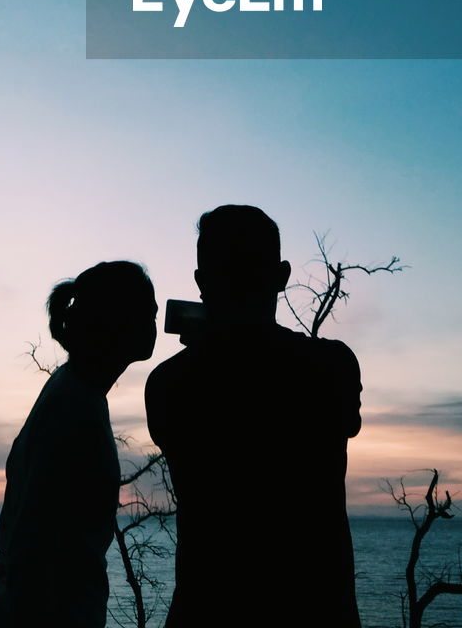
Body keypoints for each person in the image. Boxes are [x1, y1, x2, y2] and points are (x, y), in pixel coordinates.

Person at [145, 206, 362, 628]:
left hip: (206, 610)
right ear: (281, 276)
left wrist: (215, 347)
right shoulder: (333, 366)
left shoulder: (169, 383)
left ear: (201, 283)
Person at [0, 261, 157, 628]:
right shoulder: (75, 407)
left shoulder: (75, 391)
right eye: (148, 311)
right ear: (117, 321)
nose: (157, 319)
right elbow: (37, 543)